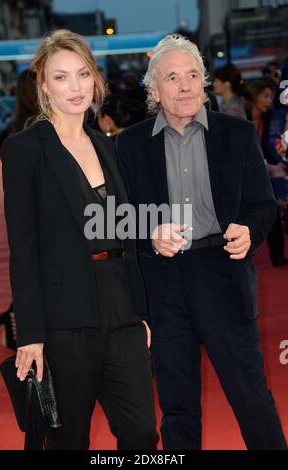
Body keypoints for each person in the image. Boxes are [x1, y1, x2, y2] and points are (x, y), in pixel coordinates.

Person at [116, 34, 287, 450]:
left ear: (205, 82)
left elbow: (263, 207)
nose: (186, 85)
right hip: (164, 282)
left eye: (193, 75)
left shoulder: (237, 133)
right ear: (154, 91)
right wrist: (149, 232)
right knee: (177, 407)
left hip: (222, 273)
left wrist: (250, 229)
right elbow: (118, 217)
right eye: (173, 77)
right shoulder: (129, 145)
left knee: (251, 397)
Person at [1, 29, 157, 450]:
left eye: (83, 74)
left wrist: (139, 311)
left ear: (96, 80)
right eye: (61, 76)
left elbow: (123, 230)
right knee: (69, 438)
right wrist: (30, 334)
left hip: (121, 308)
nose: (75, 87)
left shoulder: (108, 147)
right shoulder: (25, 150)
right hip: (63, 316)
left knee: (142, 432)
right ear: (43, 84)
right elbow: (25, 247)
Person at [245, 80, 288, 267]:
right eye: (265, 96)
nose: (269, 101)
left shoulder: (267, 117)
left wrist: (277, 164)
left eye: (271, 96)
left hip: (261, 172)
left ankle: (278, 256)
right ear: (253, 96)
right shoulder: (240, 116)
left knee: (271, 210)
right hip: (242, 175)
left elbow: (266, 148)